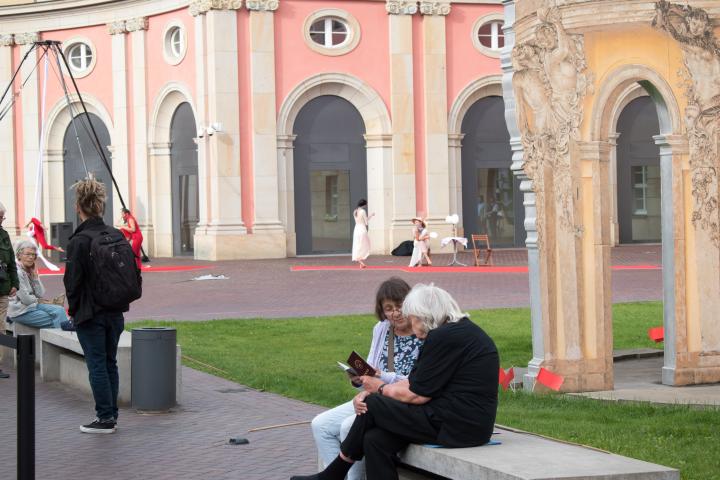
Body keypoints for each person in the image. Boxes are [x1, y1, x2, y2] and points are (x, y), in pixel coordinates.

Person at [291, 284, 499, 480]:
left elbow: (417, 395)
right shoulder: (455, 331)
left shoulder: (444, 337)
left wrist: (379, 389)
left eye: (413, 318)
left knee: (372, 406)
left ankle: (333, 474)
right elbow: (414, 382)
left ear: (425, 316)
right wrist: (372, 390)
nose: (411, 323)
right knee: (374, 440)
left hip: (459, 426)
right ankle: (334, 475)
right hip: (459, 421)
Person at [311, 277, 423, 480]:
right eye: (389, 308)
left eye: (399, 306)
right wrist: (359, 383)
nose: (395, 313)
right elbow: (370, 370)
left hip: (401, 401)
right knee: (321, 425)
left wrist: (382, 378)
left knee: (347, 427)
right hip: (374, 396)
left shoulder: (422, 332)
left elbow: (417, 382)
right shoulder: (381, 329)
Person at [64, 177, 130, 434]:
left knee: (97, 364)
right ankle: (111, 414)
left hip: (91, 313)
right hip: (115, 310)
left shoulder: (79, 241)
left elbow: (73, 282)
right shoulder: (114, 234)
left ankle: (104, 418)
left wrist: (74, 309)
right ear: (101, 205)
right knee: (109, 362)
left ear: (78, 206)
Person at [7, 240, 69, 329]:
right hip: (20, 311)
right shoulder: (17, 273)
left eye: (33, 255)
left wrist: (35, 278)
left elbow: (41, 293)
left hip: (31, 307)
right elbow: (26, 299)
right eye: (28, 254)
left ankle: (62, 337)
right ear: (19, 255)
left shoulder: (29, 270)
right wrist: (38, 300)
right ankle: (63, 340)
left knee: (60, 311)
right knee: (58, 318)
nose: (31, 257)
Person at [0, 202, 19, 379]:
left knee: (1, 327)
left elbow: (12, 263)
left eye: (2, 217)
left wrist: (15, 284)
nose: (2, 220)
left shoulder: (4, 235)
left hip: (3, 288)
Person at [351, 199, 374, 269]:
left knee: (357, 245)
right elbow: (366, 222)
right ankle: (361, 261)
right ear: (364, 204)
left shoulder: (355, 211)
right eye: (366, 204)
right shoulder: (363, 211)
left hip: (356, 229)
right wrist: (371, 215)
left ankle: (361, 263)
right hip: (362, 229)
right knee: (364, 245)